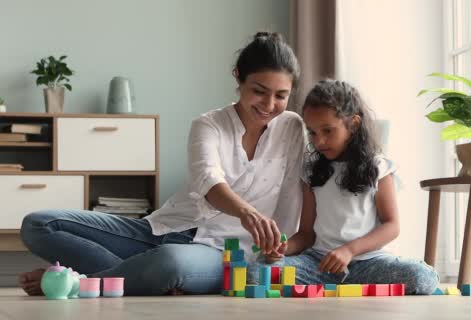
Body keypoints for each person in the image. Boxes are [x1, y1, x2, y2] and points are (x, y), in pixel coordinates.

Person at [18, 32, 305, 296]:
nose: (269, 104)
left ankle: (78, 283)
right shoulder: (208, 125)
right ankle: (134, 276)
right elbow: (208, 181)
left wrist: (278, 247)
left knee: (170, 263)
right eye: (259, 91)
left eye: (281, 96)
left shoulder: (292, 128)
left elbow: (292, 198)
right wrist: (248, 212)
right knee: (39, 224)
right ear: (238, 77)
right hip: (162, 229)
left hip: (222, 252)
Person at [260, 79, 439, 294]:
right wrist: (284, 248)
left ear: (353, 124)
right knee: (257, 272)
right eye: (313, 132)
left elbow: (392, 226)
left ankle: (347, 285)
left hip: (367, 262)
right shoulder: (311, 172)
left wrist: (348, 251)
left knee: (421, 277)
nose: (319, 142)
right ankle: (344, 286)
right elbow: (307, 234)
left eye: (328, 131)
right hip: (320, 263)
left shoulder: (378, 167)